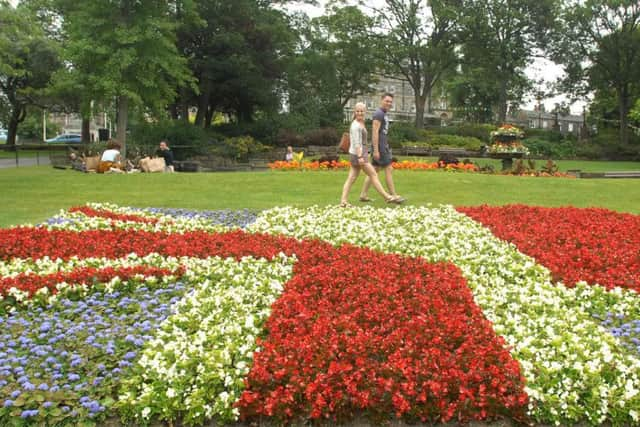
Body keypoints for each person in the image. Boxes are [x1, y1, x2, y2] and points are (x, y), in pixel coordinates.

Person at [340, 102, 403, 207]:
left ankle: (343, 201)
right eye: (358, 111)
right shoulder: (356, 126)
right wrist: (360, 157)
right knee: (373, 174)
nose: (360, 113)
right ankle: (387, 197)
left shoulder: (359, 122)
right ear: (354, 112)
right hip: (358, 155)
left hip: (356, 154)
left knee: (351, 178)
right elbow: (357, 143)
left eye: (362, 111)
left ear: (365, 112)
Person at [360, 93, 405, 203]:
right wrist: (376, 150)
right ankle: (393, 195)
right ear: (381, 100)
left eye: (390, 101)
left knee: (374, 170)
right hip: (379, 147)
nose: (389, 103)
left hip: (383, 145)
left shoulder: (383, 114)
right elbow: (375, 133)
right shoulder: (379, 114)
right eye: (387, 101)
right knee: (389, 169)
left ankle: (363, 195)